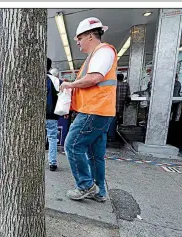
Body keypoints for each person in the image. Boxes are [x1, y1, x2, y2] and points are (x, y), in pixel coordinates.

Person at [59, 17, 117, 202]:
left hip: (94, 110)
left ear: (91, 35)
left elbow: (94, 78)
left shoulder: (103, 51)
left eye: (79, 38)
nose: (77, 41)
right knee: (95, 155)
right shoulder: (97, 55)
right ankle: (99, 192)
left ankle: (85, 185)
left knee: (72, 145)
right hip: (101, 111)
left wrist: (70, 84)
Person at [46, 58, 62, 171]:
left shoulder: (32, 80)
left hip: (35, 116)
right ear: (50, 68)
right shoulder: (56, 80)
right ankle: (52, 163)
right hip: (52, 114)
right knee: (52, 138)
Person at [108, 73, 130, 141]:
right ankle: (113, 133)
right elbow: (128, 96)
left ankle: (111, 136)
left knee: (111, 120)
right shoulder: (126, 85)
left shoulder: (113, 85)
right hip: (120, 105)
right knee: (115, 119)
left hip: (112, 105)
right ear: (123, 78)